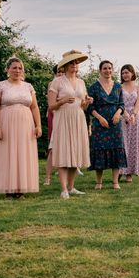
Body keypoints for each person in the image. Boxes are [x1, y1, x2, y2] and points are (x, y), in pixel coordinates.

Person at [0, 57, 42, 198]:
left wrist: (38, 125)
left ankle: (21, 187)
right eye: (14, 68)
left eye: (20, 68)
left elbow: (35, 107)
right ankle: (9, 187)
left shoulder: (28, 86)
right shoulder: (0, 86)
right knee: (8, 153)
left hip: (26, 124)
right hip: (6, 123)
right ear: (8, 69)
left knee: (23, 153)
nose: (17, 70)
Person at [48, 50, 92, 199]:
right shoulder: (57, 82)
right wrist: (63, 101)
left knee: (76, 152)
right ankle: (63, 189)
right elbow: (51, 106)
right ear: (66, 66)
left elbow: (82, 106)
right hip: (63, 118)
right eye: (72, 63)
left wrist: (86, 103)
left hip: (78, 118)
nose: (75, 65)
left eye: (77, 63)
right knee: (64, 150)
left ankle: (72, 187)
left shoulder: (81, 82)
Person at [87, 60, 127, 190]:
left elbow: (121, 104)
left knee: (116, 149)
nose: (107, 70)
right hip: (100, 124)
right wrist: (99, 118)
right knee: (100, 150)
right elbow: (90, 107)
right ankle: (99, 182)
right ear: (100, 70)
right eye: (105, 68)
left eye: (110, 68)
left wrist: (118, 114)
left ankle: (115, 182)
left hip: (115, 124)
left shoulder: (118, 87)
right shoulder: (93, 87)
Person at [119, 64, 139, 182]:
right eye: (123, 73)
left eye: (127, 72)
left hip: (135, 117)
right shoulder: (118, 87)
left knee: (134, 145)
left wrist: (133, 115)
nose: (125, 75)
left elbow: (138, 103)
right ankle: (120, 171)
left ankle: (129, 173)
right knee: (122, 144)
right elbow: (118, 103)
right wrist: (125, 114)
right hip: (122, 116)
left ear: (132, 73)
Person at [43, 64, 64, 186]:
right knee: (53, 147)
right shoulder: (52, 84)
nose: (61, 74)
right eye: (58, 72)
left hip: (67, 116)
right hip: (55, 115)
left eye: (62, 72)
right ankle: (48, 177)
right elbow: (50, 103)